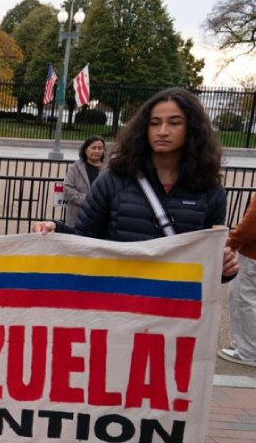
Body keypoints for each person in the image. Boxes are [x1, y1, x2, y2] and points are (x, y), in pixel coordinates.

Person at [32, 88, 238, 280]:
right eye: (155, 123)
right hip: (119, 303)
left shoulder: (209, 189)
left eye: (174, 123)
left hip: (174, 309)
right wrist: (56, 229)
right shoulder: (113, 180)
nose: (163, 131)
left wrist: (225, 269)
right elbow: (85, 240)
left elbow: (210, 261)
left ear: (192, 128)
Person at [220, 194, 256, 367]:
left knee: (243, 299)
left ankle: (248, 350)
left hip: (252, 255)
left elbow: (251, 222)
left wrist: (231, 242)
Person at [63, 135, 106, 226]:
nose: (97, 151)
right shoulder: (74, 167)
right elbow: (67, 189)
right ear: (86, 150)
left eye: (100, 148)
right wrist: (88, 200)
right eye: (93, 148)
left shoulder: (109, 169)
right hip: (77, 216)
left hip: (101, 217)